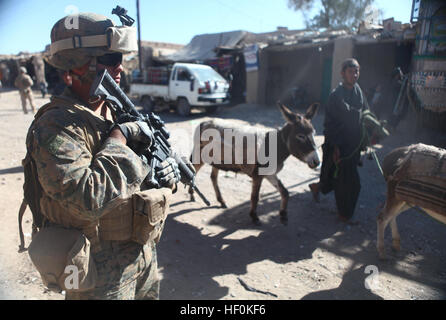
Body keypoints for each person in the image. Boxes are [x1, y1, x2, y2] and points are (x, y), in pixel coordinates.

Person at [24, 12, 181, 300]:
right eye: (109, 60)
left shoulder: (113, 107)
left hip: (142, 253)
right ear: (76, 64)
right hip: (98, 272)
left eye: (120, 58)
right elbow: (86, 198)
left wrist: (163, 172)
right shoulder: (56, 125)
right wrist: (120, 138)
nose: (119, 67)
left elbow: (137, 176)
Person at [309, 58, 369, 224]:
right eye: (351, 71)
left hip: (354, 145)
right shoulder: (336, 96)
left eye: (356, 71)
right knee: (349, 183)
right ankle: (344, 215)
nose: (354, 74)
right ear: (343, 73)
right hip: (339, 145)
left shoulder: (359, 92)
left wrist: (371, 132)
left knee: (334, 178)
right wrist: (335, 146)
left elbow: (366, 114)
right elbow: (330, 124)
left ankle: (316, 187)